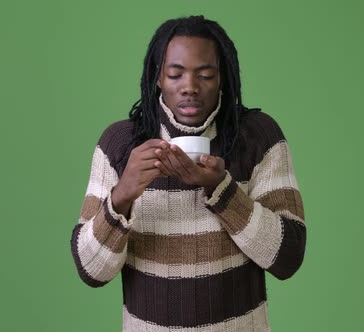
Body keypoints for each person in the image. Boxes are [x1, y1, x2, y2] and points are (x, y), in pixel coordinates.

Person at [70, 15, 306, 331]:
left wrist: (222, 191)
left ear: (223, 77)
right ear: (158, 78)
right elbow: (91, 271)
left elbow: (288, 258)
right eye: (175, 74)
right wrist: (122, 195)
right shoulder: (121, 144)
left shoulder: (257, 137)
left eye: (205, 74)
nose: (190, 87)